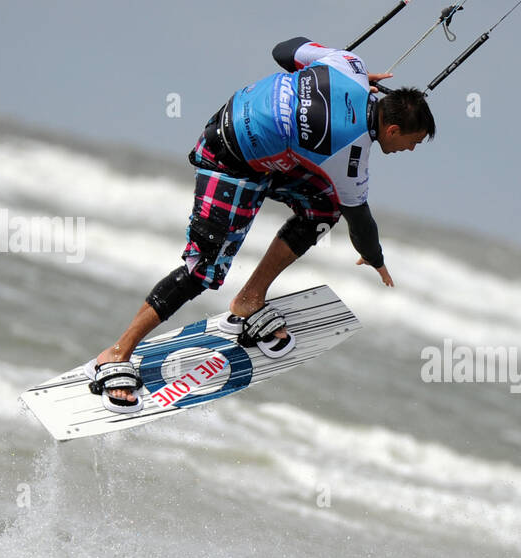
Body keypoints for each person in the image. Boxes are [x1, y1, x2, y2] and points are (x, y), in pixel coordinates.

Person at [86, 37, 436, 413]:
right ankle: (117, 353)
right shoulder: (349, 155)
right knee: (202, 271)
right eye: (412, 143)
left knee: (322, 207)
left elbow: (285, 51)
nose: (410, 151)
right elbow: (361, 220)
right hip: (228, 158)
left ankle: (249, 300)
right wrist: (375, 257)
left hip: (255, 140)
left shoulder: (347, 64)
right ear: (393, 129)